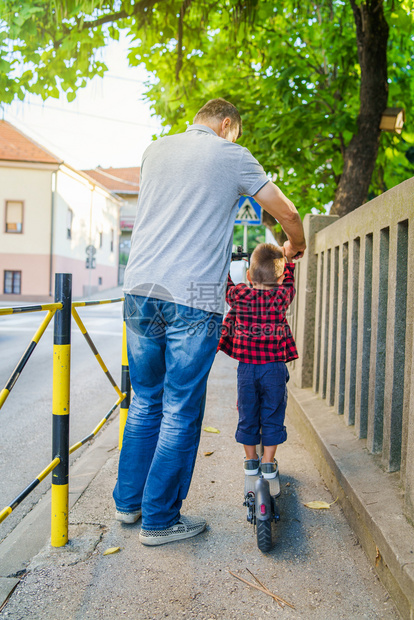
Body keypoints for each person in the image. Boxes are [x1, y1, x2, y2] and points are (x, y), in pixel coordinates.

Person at [113, 98, 306, 546]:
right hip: (191, 298)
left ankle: (130, 503)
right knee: (179, 408)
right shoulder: (231, 154)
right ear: (226, 125)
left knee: (144, 401)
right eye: (234, 133)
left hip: (140, 290)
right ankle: (159, 520)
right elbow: (289, 214)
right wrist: (292, 246)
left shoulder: (154, 150)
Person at [218, 243, 298, 478]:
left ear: (250, 275)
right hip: (274, 368)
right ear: (281, 277)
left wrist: (225, 260)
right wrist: (290, 261)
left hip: (247, 370)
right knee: (273, 414)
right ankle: (268, 462)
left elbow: (227, 286)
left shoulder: (241, 295)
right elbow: (290, 283)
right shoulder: (282, 296)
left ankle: (250, 461)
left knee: (248, 413)